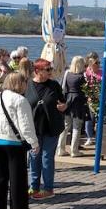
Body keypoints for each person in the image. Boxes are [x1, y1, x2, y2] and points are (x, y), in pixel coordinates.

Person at [0, 72, 38, 209]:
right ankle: (18, 208)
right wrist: (33, 142)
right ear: (20, 84)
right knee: (17, 176)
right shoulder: (20, 100)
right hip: (13, 141)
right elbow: (26, 124)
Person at [25, 59, 66, 199]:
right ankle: (34, 187)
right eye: (47, 69)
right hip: (33, 129)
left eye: (51, 69)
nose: (50, 72)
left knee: (47, 158)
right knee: (34, 157)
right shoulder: (27, 85)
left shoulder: (54, 85)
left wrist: (64, 107)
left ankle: (48, 189)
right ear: (37, 71)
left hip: (51, 128)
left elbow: (63, 101)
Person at [58, 56, 90, 157]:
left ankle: (60, 149)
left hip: (68, 100)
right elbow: (86, 90)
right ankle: (74, 150)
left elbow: (62, 87)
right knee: (77, 127)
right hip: (78, 102)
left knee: (65, 126)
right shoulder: (82, 77)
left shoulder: (67, 73)